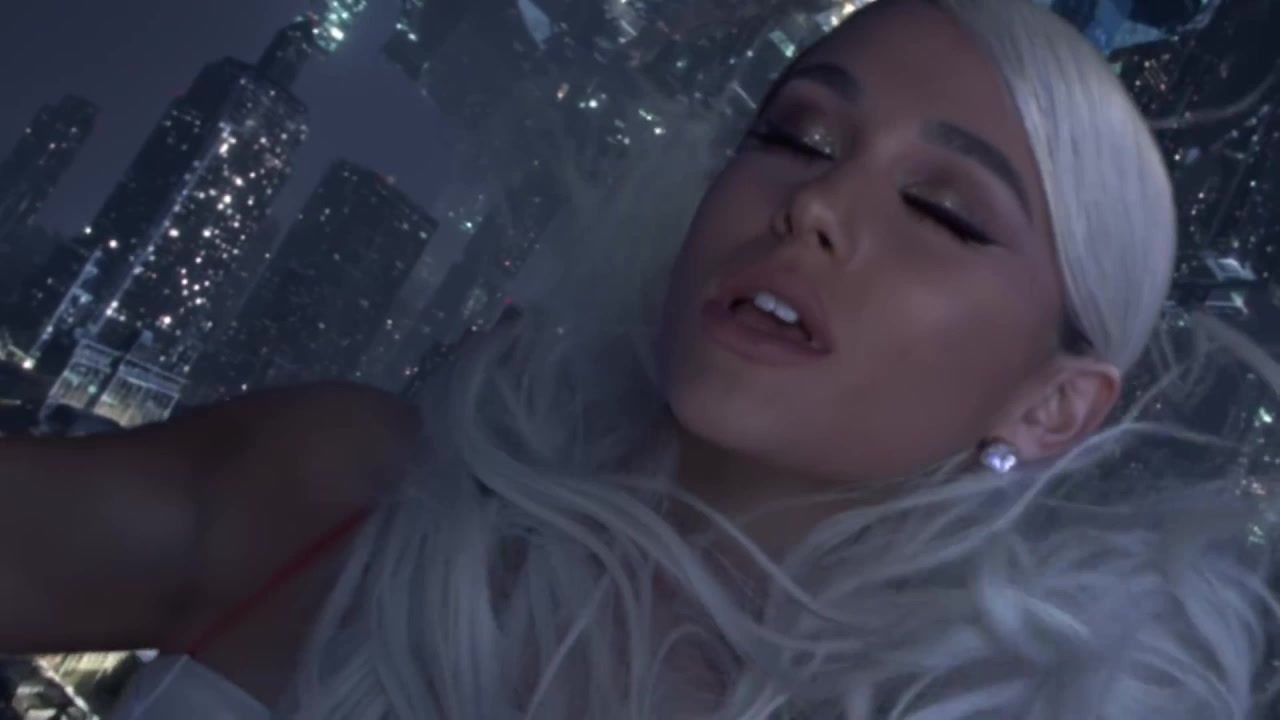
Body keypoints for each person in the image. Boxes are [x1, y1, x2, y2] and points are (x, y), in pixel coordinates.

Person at [2, 0, 1277, 717]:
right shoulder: (334, 496)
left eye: (941, 211)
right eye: (796, 136)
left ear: (1053, 407)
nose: (814, 205)